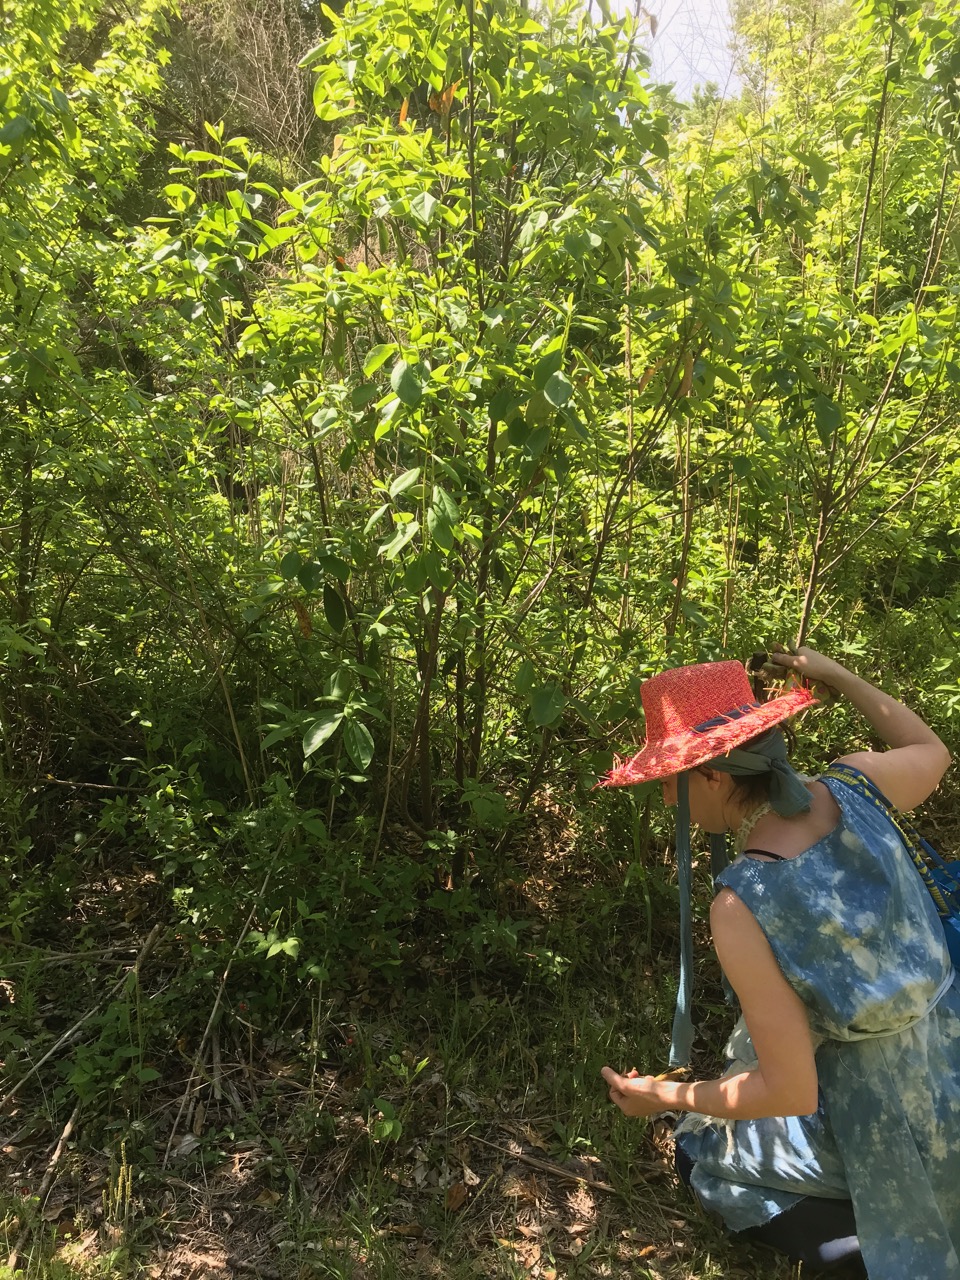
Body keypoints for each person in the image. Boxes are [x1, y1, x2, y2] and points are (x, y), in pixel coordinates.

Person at [597, 646, 959, 1279]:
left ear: (713, 776)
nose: (665, 797)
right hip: (949, 1062)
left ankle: (866, 1241)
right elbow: (932, 750)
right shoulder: (858, 784)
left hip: (886, 1122)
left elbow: (789, 1091)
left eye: (669, 779)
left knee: (700, 1151)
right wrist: (837, 674)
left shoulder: (745, 900)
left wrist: (662, 1095)